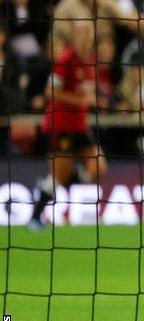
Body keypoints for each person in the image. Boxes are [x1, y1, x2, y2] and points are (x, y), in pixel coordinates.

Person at [28, 21, 108, 229]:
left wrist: (96, 99)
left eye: (88, 33)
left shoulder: (89, 61)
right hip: (60, 125)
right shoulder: (65, 60)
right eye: (81, 33)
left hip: (80, 126)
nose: (85, 37)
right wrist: (80, 101)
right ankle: (35, 218)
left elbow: (86, 91)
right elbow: (50, 92)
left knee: (98, 166)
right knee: (57, 177)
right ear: (74, 36)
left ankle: (55, 182)